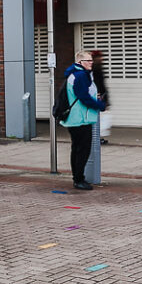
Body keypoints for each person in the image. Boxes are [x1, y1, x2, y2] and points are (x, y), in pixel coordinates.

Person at [59, 50, 107, 190]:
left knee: (77, 148)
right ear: (80, 62)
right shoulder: (80, 76)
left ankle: (78, 177)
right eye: (88, 60)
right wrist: (100, 105)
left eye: (91, 60)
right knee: (82, 150)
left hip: (77, 118)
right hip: (80, 119)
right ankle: (79, 179)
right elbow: (83, 97)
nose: (91, 63)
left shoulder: (77, 74)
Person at [91, 49, 113, 146]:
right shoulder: (94, 70)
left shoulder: (98, 68)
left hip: (101, 96)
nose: (101, 59)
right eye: (99, 57)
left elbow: (102, 84)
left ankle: (98, 137)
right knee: (98, 117)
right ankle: (96, 138)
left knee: (101, 117)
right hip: (97, 96)